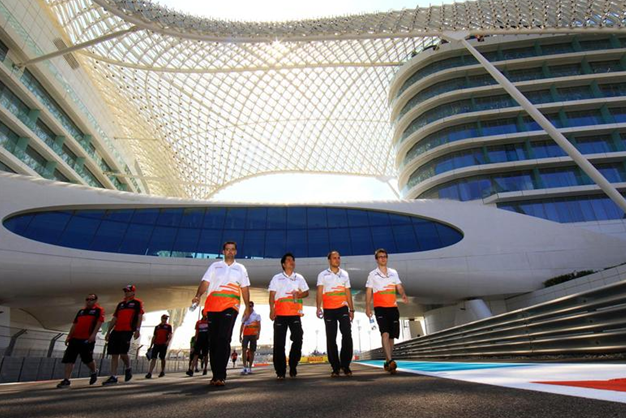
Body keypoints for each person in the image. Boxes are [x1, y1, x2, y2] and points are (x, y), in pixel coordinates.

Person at [191, 241, 251, 387]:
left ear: (236, 252)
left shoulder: (240, 268)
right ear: (223, 251)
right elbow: (205, 282)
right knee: (214, 341)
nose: (230, 252)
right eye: (227, 249)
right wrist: (198, 295)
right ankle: (215, 375)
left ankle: (221, 375)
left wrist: (247, 307)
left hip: (230, 307)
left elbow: (244, 288)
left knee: (224, 338)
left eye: (232, 250)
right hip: (212, 307)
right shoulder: (215, 266)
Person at [365, 249, 409, 374]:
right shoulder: (372, 274)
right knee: (385, 333)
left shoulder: (393, 273)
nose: (383, 259)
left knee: (392, 337)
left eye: (384, 256)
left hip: (393, 307)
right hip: (380, 308)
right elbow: (369, 291)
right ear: (376, 259)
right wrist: (368, 307)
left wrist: (403, 294)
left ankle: (387, 360)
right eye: (380, 257)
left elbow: (399, 286)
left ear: (387, 258)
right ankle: (390, 360)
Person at [269, 252, 309, 380]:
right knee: (279, 344)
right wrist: (271, 310)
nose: (292, 262)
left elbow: (306, 292)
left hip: (295, 314)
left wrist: (299, 294)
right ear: (283, 264)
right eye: (289, 260)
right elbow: (271, 295)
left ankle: (293, 365)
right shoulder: (276, 278)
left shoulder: (299, 278)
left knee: (298, 339)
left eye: (293, 260)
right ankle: (280, 371)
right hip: (280, 314)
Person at [316, 250, 355, 377]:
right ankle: (335, 367)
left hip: (343, 308)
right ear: (329, 260)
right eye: (334, 258)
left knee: (347, 335)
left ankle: (346, 365)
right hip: (329, 310)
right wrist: (318, 307)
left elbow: (347, 292)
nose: (337, 260)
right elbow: (319, 292)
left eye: (338, 258)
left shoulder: (345, 274)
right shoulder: (322, 275)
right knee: (331, 338)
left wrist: (352, 309)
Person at [57, 293, 104, 388]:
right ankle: (66, 380)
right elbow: (75, 324)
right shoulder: (81, 311)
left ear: (95, 301)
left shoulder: (98, 311)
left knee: (87, 359)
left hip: (87, 339)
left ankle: (94, 371)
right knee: (69, 359)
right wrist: (69, 336)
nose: (89, 301)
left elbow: (99, 322)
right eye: (87, 299)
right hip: (75, 338)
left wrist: (93, 335)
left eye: (91, 299)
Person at [102, 285, 144, 385]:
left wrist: (137, 329)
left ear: (133, 293)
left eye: (128, 291)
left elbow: (139, 316)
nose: (126, 293)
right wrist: (108, 331)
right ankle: (113, 376)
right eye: (125, 291)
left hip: (127, 330)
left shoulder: (137, 303)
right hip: (116, 330)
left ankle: (128, 367)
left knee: (123, 352)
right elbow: (114, 318)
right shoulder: (121, 304)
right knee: (114, 354)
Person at [145, 314, 173, 379]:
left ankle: (162, 371)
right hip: (156, 344)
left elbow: (170, 334)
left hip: (163, 344)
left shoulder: (168, 326)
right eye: (164, 318)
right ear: (161, 319)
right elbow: (154, 336)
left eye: (166, 319)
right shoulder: (157, 327)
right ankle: (150, 372)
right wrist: (151, 345)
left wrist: (168, 341)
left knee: (162, 358)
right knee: (153, 358)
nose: (165, 320)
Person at [239, 301, 261, 375]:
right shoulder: (245, 315)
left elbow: (259, 326)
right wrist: (240, 335)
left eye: (251, 306)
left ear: (253, 306)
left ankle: (249, 368)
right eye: (248, 306)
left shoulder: (257, 315)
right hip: (245, 334)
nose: (250, 307)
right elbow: (242, 325)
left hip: (253, 335)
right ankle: (244, 367)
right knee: (244, 349)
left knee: (252, 351)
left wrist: (258, 334)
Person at [187, 312, 210, 376]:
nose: (205, 314)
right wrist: (195, 341)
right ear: (202, 314)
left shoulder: (209, 322)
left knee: (205, 355)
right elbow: (197, 332)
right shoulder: (198, 322)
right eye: (204, 313)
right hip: (199, 340)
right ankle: (191, 370)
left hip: (206, 341)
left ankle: (205, 368)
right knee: (195, 354)